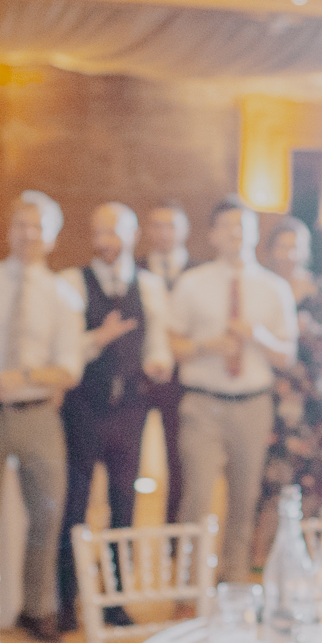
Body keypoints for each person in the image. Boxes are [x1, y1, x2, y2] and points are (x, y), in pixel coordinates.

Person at [0, 191, 85, 642]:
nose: (29, 234)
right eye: (21, 225)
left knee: (48, 515)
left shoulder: (64, 295)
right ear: (10, 231)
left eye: (38, 227)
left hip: (38, 416)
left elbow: (69, 368)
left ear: (52, 238)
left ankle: (37, 607)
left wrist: (21, 375)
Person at [55, 203, 172, 630]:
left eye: (114, 233)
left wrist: (160, 362)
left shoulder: (151, 286)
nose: (106, 241)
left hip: (131, 409)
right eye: (99, 232)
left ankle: (116, 601)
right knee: (75, 505)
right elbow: (66, 350)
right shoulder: (71, 283)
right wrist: (96, 340)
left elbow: (158, 342)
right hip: (83, 406)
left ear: (133, 234)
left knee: (125, 503)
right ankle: (67, 602)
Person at [169, 199, 296, 578]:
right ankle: (188, 585)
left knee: (244, 501)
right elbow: (174, 347)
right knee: (198, 498)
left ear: (256, 234)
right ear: (212, 234)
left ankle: (234, 582)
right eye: (227, 226)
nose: (236, 233)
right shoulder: (192, 283)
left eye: (244, 226)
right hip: (203, 404)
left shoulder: (275, 289)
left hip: (253, 405)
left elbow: (287, 356)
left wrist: (257, 336)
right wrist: (207, 345)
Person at [255, 216, 322, 565]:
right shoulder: (262, 286)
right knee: (271, 477)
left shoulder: (321, 290)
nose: (289, 253)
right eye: (282, 245)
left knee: (310, 475)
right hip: (271, 395)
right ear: (271, 250)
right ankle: (261, 553)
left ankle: (305, 554)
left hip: (311, 398)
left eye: (296, 245)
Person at [139, 201, 193, 522]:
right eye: (156, 225)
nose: (163, 232)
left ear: (184, 231)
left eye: (171, 225)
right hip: (142, 379)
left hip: (185, 380)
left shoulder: (200, 272)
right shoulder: (134, 269)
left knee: (179, 460)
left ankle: (175, 535)